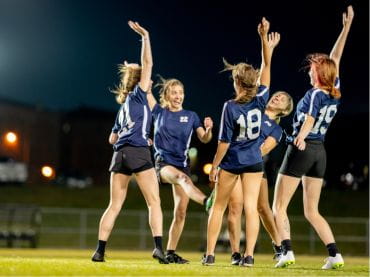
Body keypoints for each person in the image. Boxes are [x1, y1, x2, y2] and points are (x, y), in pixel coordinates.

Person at [272, 6, 354, 269]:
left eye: (313, 68)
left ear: (320, 74)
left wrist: (300, 138)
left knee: (279, 206)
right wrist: (346, 28)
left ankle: (286, 252)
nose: (309, 70)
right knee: (311, 211)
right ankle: (334, 254)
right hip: (320, 152)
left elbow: (308, 119)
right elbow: (336, 57)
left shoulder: (316, 94)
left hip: (305, 147)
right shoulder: (334, 89)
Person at [203, 17, 280, 267]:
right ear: (253, 81)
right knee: (250, 208)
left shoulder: (230, 106)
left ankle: (211, 254)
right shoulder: (261, 97)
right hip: (254, 161)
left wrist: (214, 165)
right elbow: (266, 64)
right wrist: (263, 38)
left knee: (219, 208)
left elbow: (223, 143)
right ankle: (248, 256)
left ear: (237, 81)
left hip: (233, 160)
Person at [91, 21, 169, 264]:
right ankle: (158, 248)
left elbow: (112, 138)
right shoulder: (138, 93)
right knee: (154, 202)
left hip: (120, 153)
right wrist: (145, 36)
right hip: (137, 150)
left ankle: (99, 251)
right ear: (141, 81)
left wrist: (137, 131)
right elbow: (148, 63)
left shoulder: (124, 106)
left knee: (114, 205)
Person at [146, 76, 213, 263]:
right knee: (184, 180)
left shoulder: (191, 116)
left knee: (181, 212)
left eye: (181, 93)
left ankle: (170, 252)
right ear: (167, 95)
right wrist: (146, 84)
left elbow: (204, 139)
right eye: (174, 93)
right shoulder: (159, 112)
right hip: (163, 165)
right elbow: (146, 93)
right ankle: (208, 202)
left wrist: (208, 130)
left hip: (183, 166)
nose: (178, 96)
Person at [225, 91, 294, 265]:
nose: (277, 97)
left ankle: (279, 246)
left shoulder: (276, 129)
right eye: (277, 95)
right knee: (234, 208)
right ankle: (235, 253)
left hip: (253, 167)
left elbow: (262, 150)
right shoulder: (253, 110)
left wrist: (244, 157)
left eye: (282, 99)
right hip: (233, 163)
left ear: (284, 111)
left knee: (262, 207)